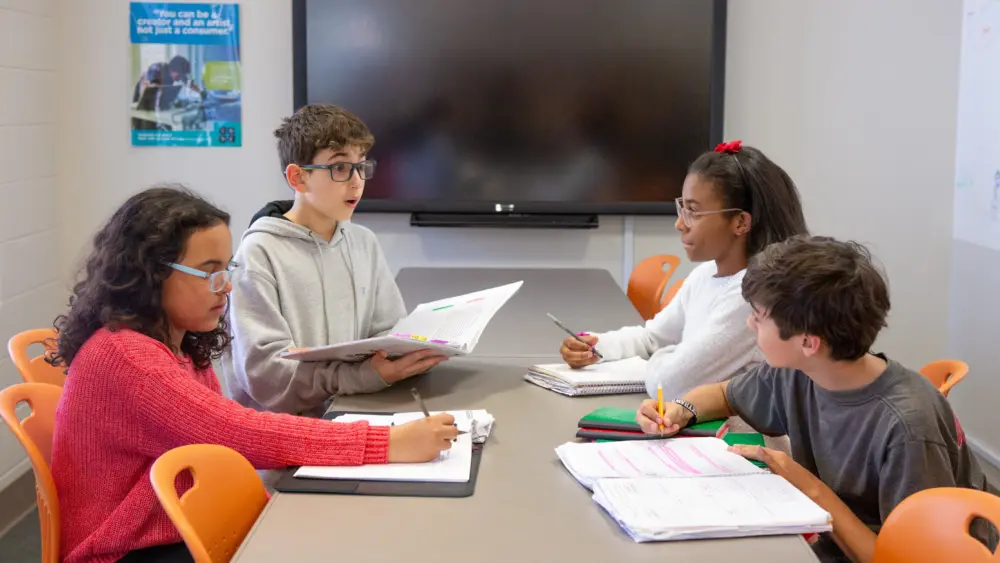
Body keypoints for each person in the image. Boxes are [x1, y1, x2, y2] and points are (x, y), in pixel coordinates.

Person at [49, 187, 458, 563]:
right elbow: (238, 434)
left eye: (227, 269)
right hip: (128, 552)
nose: (226, 287)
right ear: (153, 274)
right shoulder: (128, 357)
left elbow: (225, 440)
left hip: (176, 524)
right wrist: (388, 442)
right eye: (210, 271)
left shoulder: (176, 340)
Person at [635, 236, 995, 563]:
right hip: (829, 540)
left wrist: (805, 485)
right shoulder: (798, 370)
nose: (749, 325)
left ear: (809, 342)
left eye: (759, 317)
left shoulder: (907, 427)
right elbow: (723, 395)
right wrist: (682, 410)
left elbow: (902, 558)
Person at [220, 104, 446, 416]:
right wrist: (364, 376)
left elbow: (387, 332)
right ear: (298, 178)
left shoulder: (363, 242)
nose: (357, 182)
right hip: (286, 439)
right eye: (340, 168)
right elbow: (267, 376)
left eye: (362, 167)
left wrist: (408, 354)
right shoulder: (258, 253)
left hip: (355, 412)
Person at [560, 140, 809, 399]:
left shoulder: (750, 296)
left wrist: (672, 355)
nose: (680, 223)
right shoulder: (705, 274)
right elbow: (653, 338)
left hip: (726, 435)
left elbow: (670, 385)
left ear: (740, 222)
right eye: (682, 208)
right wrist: (598, 346)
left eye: (693, 212)